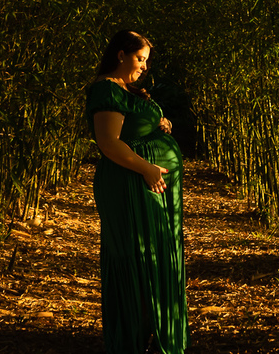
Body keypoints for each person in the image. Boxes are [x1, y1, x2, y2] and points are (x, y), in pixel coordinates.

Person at [85, 30, 189, 354]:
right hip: (129, 186)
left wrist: (160, 122)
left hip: (146, 184)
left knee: (154, 255)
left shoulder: (125, 89)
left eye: (146, 61)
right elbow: (108, 143)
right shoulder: (106, 89)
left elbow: (132, 125)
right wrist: (147, 168)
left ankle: (152, 332)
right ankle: (131, 339)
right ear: (121, 55)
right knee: (136, 256)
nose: (144, 66)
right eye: (140, 58)